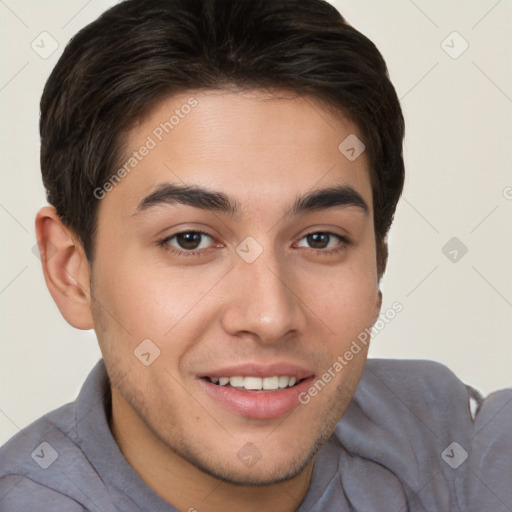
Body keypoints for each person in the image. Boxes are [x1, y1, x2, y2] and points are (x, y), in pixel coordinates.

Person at [0, 0, 510, 510]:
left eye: (320, 239)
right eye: (190, 240)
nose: (269, 316)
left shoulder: (450, 445)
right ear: (71, 272)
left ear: (377, 264)